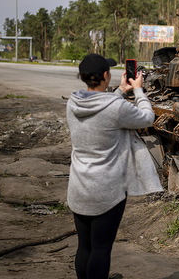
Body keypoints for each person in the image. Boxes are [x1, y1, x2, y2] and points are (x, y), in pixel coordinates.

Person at [66, 54, 163, 279]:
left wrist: (120, 91)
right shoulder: (117, 108)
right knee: (101, 247)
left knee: (85, 246)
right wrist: (138, 90)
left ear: (83, 78)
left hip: (79, 188)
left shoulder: (73, 103)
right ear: (106, 75)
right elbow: (147, 118)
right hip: (107, 192)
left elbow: (101, 106)